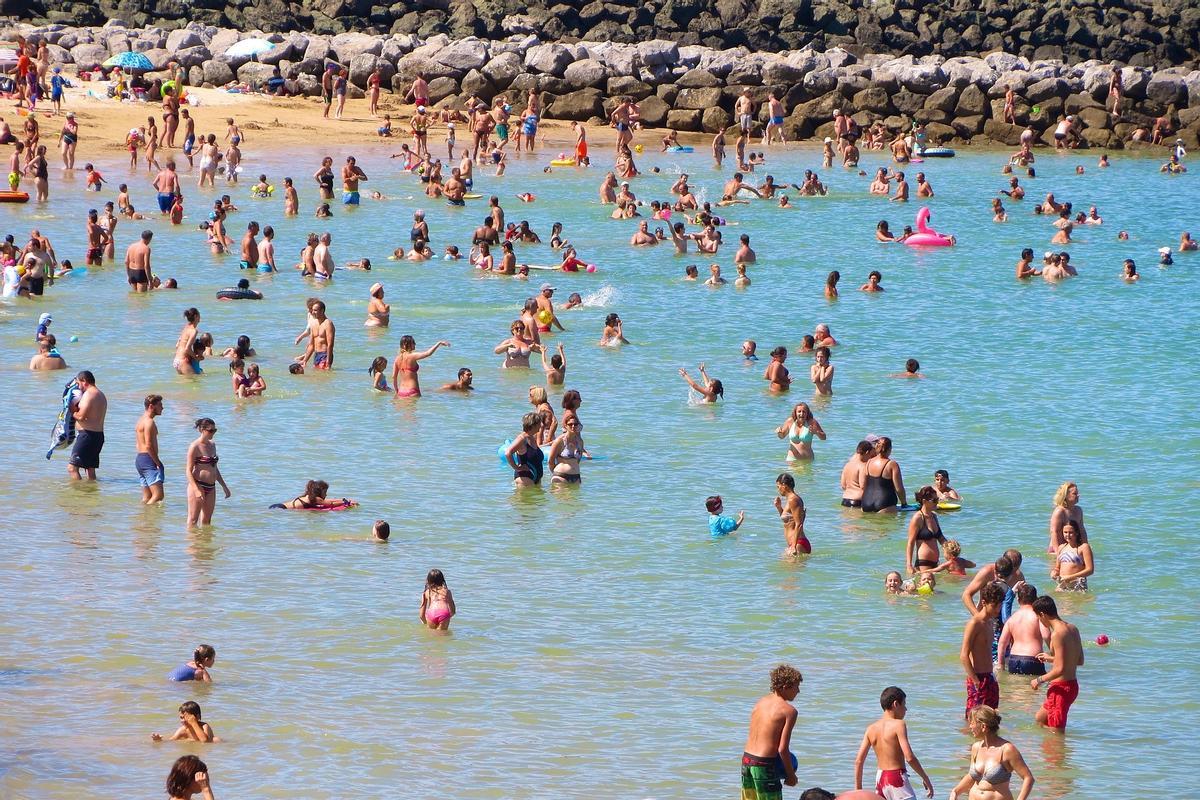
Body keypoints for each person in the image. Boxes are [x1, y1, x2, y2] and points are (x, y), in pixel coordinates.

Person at [853, 686, 934, 800]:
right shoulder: (899, 725)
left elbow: (858, 761)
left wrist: (858, 791)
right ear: (896, 704)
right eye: (904, 704)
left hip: (880, 779)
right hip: (896, 778)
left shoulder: (871, 728)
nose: (906, 709)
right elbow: (909, 757)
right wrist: (926, 778)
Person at [740, 664, 802, 798]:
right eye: (796, 686)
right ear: (786, 686)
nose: (798, 691)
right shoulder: (789, 711)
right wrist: (791, 776)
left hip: (746, 760)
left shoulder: (760, 702)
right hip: (764, 764)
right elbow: (782, 749)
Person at [948, 706, 1035, 800]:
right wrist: (956, 791)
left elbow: (1028, 778)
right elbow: (972, 776)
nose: (970, 727)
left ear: (983, 726)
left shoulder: (1007, 749)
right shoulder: (976, 747)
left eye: (972, 723)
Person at [1030, 595, 1084, 732]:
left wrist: (1039, 679)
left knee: (1056, 731)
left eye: (1038, 618)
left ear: (1042, 614)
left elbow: (1059, 669)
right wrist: (1051, 658)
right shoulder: (1073, 628)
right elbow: (1079, 660)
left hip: (1061, 689)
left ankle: (1056, 753)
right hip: (1072, 686)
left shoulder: (1057, 634)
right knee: (1040, 718)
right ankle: (1046, 750)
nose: (1039, 621)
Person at [961, 582, 1004, 718]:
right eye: (995, 605)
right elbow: (964, 655)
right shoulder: (974, 624)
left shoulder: (990, 622)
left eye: (1000, 604)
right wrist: (975, 681)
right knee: (973, 719)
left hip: (990, 677)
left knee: (991, 719)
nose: (998, 609)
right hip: (978, 678)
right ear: (984, 602)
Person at [186, 418, 230, 527]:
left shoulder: (212, 445)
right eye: (211, 431)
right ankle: (192, 544)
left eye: (215, 430)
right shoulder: (194, 446)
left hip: (211, 487)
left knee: (207, 522)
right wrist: (196, 489)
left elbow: (214, 468)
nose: (213, 433)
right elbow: (188, 470)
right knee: (193, 520)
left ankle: (204, 543)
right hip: (198, 485)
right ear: (202, 430)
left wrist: (224, 486)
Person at [997, 583, 1047, 676]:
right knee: (1035, 688)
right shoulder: (1038, 616)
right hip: (1033, 658)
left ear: (1018, 599)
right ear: (1036, 598)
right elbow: (1046, 635)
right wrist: (1053, 655)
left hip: (1014, 659)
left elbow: (1002, 643)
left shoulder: (1012, 619)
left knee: (1017, 689)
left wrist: (1001, 664)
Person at [67, 370, 106, 481]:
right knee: (90, 469)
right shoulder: (100, 394)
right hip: (98, 436)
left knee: (72, 468)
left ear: (84, 381)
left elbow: (81, 417)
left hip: (87, 436)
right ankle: (90, 495)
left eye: (79, 384)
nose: (79, 387)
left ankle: (77, 495)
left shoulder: (89, 394)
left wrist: (72, 411)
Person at [905, 486, 946, 574]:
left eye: (937, 499)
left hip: (936, 563)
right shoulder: (918, 518)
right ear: (924, 501)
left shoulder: (934, 516)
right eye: (934, 500)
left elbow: (941, 539)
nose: (937, 502)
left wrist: (952, 552)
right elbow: (910, 543)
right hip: (923, 563)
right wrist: (909, 565)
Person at [861, 437, 905, 513]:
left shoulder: (868, 462)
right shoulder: (892, 464)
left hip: (866, 503)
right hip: (885, 504)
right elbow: (899, 489)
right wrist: (904, 503)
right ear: (890, 449)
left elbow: (863, 485)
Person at [136, 394, 165, 504]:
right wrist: (158, 462)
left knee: (147, 496)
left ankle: (145, 518)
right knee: (158, 495)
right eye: (160, 405)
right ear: (151, 407)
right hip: (148, 459)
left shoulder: (141, 420)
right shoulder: (149, 422)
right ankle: (148, 516)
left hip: (140, 459)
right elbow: (148, 445)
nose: (162, 407)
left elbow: (138, 444)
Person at [1050, 520, 1094, 591]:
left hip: (1078, 585)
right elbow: (1057, 567)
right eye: (1065, 532)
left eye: (1071, 532)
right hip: (1062, 584)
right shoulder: (1061, 547)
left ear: (1077, 532)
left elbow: (1090, 570)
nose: (1067, 535)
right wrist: (1054, 572)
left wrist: (1070, 577)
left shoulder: (1083, 547)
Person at [504, 412, 545, 487]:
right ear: (534, 425)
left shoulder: (532, 437)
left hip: (535, 478)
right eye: (539, 423)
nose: (541, 425)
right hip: (525, 477)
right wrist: (516, 467)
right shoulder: (522, 439)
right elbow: (508, 453)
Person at [152, 701, 220, 743]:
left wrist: (193, 723)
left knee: (216, 740)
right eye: (181, 718)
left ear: (197, 717)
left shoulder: (204, 726)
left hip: (206, 745)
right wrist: (159, 740)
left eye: (187, 718)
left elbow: (205, 741)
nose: (183, 720)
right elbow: (171, 741)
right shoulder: (183, 730)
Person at [775, 473, 809, 555]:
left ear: (784, 485)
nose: (778, 489)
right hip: (795, 543)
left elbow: (798, 524)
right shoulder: (790, 499)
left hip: (798, 544)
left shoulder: (793, 500)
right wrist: (779, 507)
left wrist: (793, 547)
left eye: (778, 486)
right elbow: (789, 521)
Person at [1048, 481, 1087, 552]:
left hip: (1072, 548)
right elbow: (1054, 532)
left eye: (1077, 493)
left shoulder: (1078, 510)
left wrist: (1085, 548)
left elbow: (1082, 530)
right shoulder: (1059, 511)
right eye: (1074, 494)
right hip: (1057, 548)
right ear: (1066, 495)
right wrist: (1058, 553)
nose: (1078, 495)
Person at [547, 415, 586, 484]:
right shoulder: (559, 441)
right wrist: (556, 472)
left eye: (575, 424)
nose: (573, 426)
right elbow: (550, 461)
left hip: (576, 477)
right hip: (561, 476)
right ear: (565, 426)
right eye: (570, 424)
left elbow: (578, 460)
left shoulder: (580, 441)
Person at [840, 440, 873, 508]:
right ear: (867, 452)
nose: (870, 458)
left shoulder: (847, 465)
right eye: (870, 455)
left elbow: (843, 486)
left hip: (845, 500)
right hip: (857, 501)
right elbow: (863, 486)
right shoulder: (862, 466)